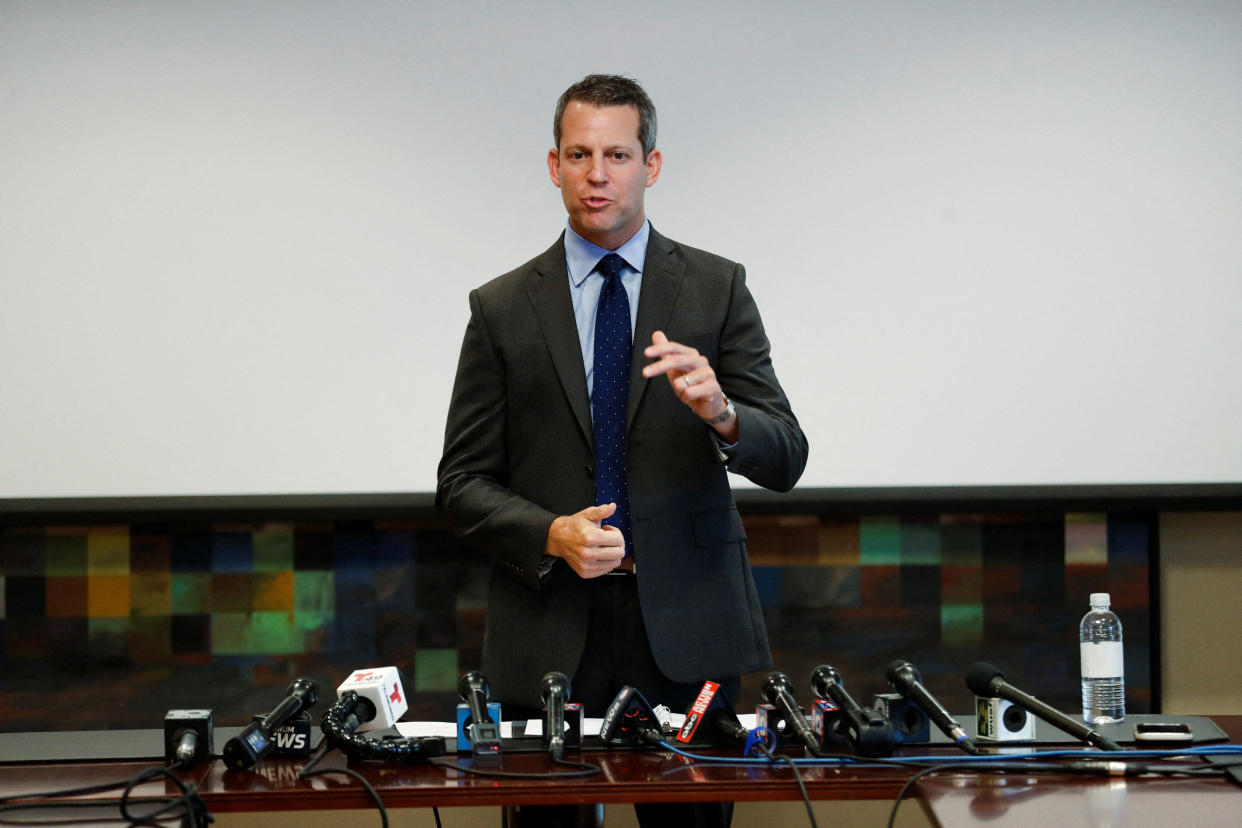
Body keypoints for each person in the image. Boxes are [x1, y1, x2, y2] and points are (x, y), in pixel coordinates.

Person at [436, 74, 808, 827]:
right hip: (548, 624)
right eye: (579, 154)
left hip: (685, 626)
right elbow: (461, 482)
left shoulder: (715, 287)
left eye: (616, 154)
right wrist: (550, 532)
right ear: (553, 164)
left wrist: (722, 412)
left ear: (652, 164)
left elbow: (787, 455)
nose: (597, 174)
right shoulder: (502, 308)